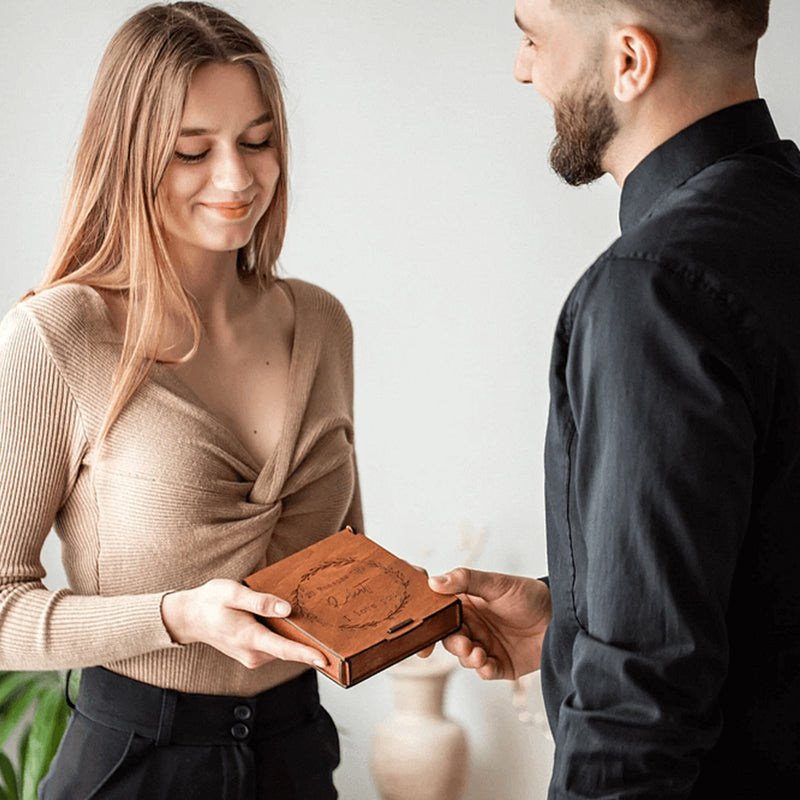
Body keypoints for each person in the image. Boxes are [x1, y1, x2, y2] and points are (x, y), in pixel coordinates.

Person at [427, 0, 800, 797]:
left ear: (630, 60)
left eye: (533, 37)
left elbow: (638, 713)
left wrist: (611, 643)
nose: (524, 69)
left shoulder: (650, 293)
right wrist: (573, 623)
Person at [0, 3, 361, 798]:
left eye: (258, 141)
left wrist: (443, 612)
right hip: (133, 765)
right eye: (191, 151)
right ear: (127, 156)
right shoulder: (55, 339)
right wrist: (172, 618)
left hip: (299, 757)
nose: (236, 178)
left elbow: (345, 553)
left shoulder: (324, 323)